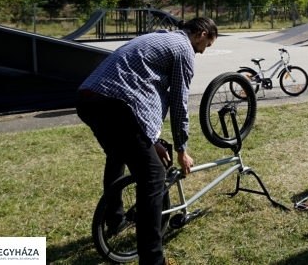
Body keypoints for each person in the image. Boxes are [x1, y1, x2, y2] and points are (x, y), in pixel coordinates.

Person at [77, 17, 218, 265]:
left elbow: (141, 90)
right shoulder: (184, 50)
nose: (203, 50)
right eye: (206, 44)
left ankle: (115, 219)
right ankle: (153, 261)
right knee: (153, 177)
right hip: (117, 105)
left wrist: (152, 139)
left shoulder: (161, 37)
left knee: (118, 155)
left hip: (89, 99)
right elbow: (178, 105)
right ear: (201, 34)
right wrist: (182, 149)